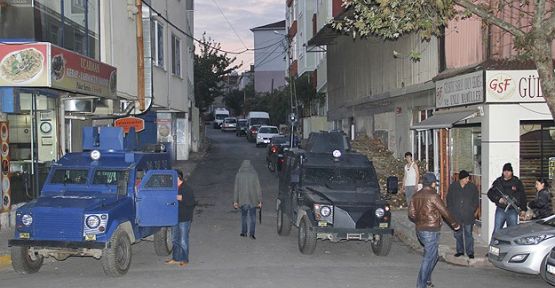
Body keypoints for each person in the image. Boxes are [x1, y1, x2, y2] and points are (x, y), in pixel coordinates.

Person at [409, 173, 460, 288]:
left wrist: (420, 220)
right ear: (432, 183)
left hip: (420, 229)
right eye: (435, 183)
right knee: (428, 258)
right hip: (431, 230)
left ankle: (427, 280)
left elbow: (411, 214)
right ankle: (420, 285)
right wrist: (455, 224)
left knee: (434, 255)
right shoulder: (433, 196)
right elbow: (445, 211)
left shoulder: (415, 196)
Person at [487, 163, 527, 240]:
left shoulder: (517, 182)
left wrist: (523, 209)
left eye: (508, 171)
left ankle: (511, 250)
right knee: (497, 230)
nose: (506, 173)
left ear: (511, 172)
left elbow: (523, 196)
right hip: (501, 209)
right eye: (505, 171)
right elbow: (490, 193)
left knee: (513, 232)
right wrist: (498, 199)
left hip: (513, 210)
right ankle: (493, 248)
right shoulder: (498, 182)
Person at [446, 170, 479, 259]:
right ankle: (460, 251)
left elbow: (476, 200)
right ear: (461, 178)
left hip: (468, 215)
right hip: (456, 215)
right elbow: (449, 199)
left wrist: (473, 209)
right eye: (466, 178)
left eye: (468, 178)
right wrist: (451, 211)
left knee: (468, 234)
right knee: (458, 234)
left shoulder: (472, 187)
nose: (468, 180)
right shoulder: (453, 187)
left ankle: (470, 252)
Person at [165, 169, 195, 267]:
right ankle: (176, 258)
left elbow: (191, 203)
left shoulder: (187, 188)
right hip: (174, 218)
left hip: (184, 218)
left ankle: (185, 259)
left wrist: (181, 198)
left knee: (183, 240)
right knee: (174, 239)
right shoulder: (172, 188)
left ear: (178, 177)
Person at [233, 160, 262, 239]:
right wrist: (260, 201)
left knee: (244, 216)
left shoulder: (239, 174)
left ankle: (244, 232)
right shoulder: (254, 174)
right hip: (252, 200)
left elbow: (236, 189)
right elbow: (258, 188)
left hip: (243, 200)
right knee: (253, 217)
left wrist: (235, 201)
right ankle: (252, 234)